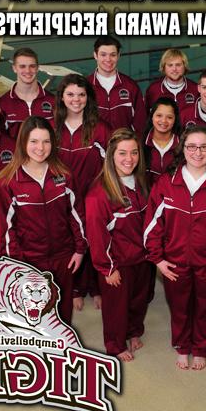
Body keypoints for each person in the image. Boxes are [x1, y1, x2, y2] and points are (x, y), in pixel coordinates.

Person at [144, 126, 206, 370]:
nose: (197, 152)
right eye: (191, 146)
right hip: (174, 262)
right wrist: (157, 259)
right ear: (182, 149)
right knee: (179, 307)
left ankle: (200, 348)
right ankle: (182, 346)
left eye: (203, 147)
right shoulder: (167, 183)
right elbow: (152, 224)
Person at [0, 116, 86, 324]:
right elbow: (5, 231)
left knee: (62, 307)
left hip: (64, 256)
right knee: (33, 314)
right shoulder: (6, 183)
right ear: (23, 143)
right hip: (29, 260)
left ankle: (62, 346)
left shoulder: (63, 175)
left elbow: (76, 215)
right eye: (34, 141)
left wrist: (79, 250)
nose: (40, 148)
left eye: (46, 141)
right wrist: (17, 265)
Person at [86, 128, 150, 362]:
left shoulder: (141, 183)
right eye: (122, 153)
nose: (129, 159)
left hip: (141, 259)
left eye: (134, 153)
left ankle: (133, 331)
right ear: (111, 156)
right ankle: (114, 343)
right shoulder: (99, 194)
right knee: (116, 307)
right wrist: (107, 268)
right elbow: (96, 235)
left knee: (137, 301)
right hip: (117, 263)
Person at [54, 74, 112, 311]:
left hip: (92, 197)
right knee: (71, 243)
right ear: (62, 98)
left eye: (81, 94)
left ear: (88, 98)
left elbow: (112, 165)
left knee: (95, 241)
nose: (76, 99)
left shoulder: (100, 128)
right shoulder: (52, 127)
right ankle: (76, 288)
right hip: (63, 197)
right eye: (70, 94)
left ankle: (96, 287)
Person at [88, 35, 147, 134]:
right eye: (103, 55)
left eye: (113, 55)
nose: (108, 59)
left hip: (124, 146)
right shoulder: (86, 86)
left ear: (118, 56)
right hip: (94, 147)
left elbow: (140, 123)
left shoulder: (130, 86)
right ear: (95, 55)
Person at [0, 47, 55, 139]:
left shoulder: (53, 101)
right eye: (22, 66)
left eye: (32, 66)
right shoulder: (3, 103)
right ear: (14, 68)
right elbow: (1, 139)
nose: (28, 71)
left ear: (37, 68)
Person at [143, 97, 181, 185]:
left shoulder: (183, 145)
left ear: (175, 120)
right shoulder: (140, 143)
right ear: (152, 116)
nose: (163, 121)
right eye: (159, 115)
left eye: (169, 117)